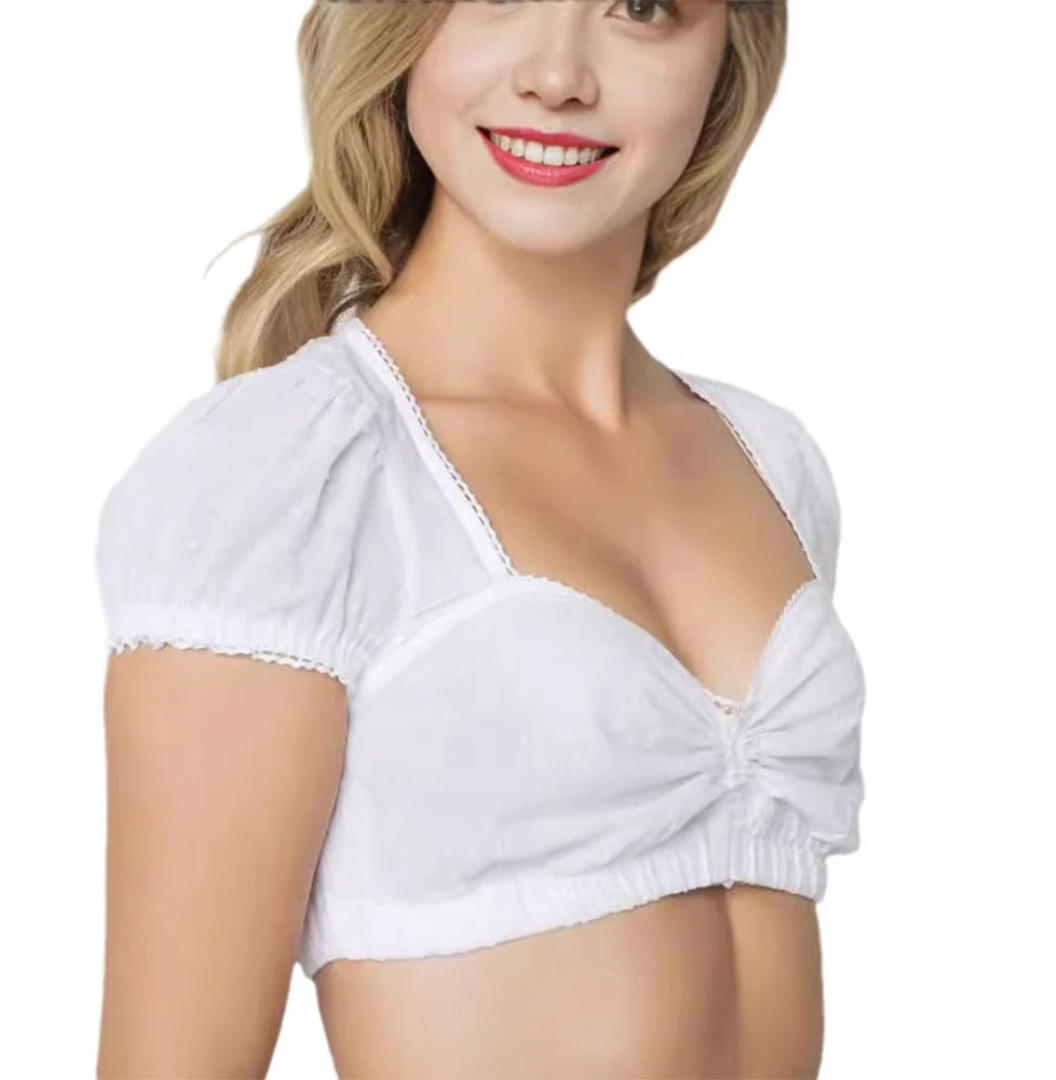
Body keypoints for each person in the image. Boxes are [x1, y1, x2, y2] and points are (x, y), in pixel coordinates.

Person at [95, 2, 865, 1077]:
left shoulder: (766, 459)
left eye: (642, 8)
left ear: (728, 52)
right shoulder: (290, 474)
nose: (558, 76)